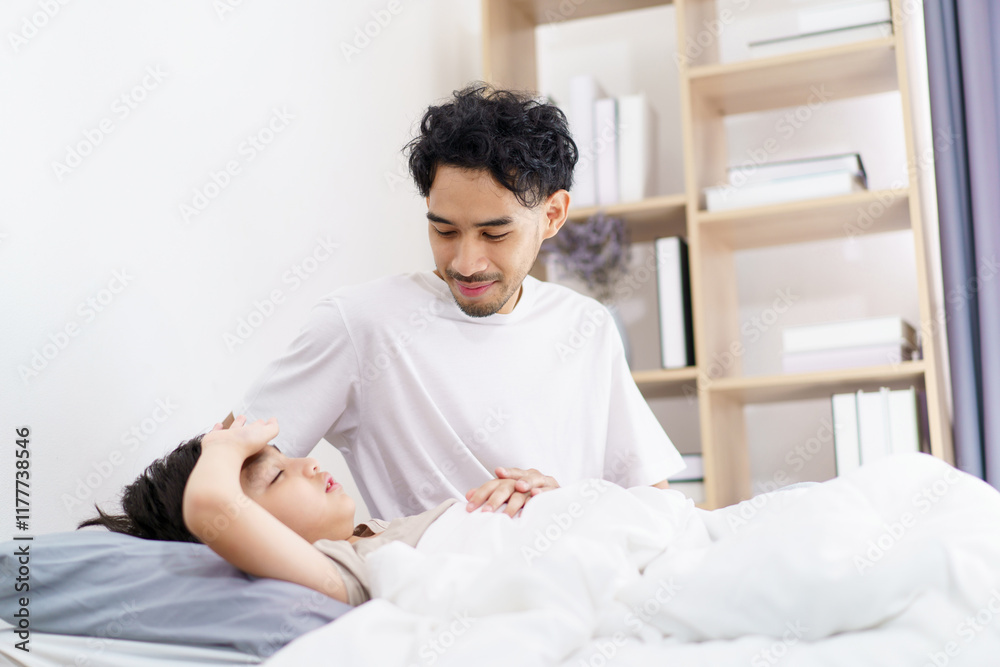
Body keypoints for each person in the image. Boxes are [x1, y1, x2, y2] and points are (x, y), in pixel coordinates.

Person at [223, 83, 685, 520]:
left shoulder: (586, 325)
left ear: (553, 215)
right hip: (434, 573)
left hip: (577, 567)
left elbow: (656, 509)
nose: (465, 263)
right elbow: (218, 471)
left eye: (494, 233)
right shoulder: (361, 324)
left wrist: (563, 503)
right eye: (444, 230)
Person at [82, 417, 524, 605]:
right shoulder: (338, 568)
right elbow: (211, 507)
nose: (310, 464)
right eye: (276, 476)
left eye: (286, 459)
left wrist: (529, 492)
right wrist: (223, 447)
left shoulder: (372, 532)